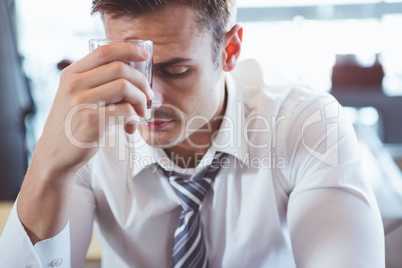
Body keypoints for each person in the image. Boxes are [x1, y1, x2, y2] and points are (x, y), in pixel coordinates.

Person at [0, 0, 385, 267]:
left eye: (175, 71)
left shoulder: (306, 124)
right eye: (131, 67)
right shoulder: (94, 131)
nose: (148, 97)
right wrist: (48, 167)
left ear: (230, 50)